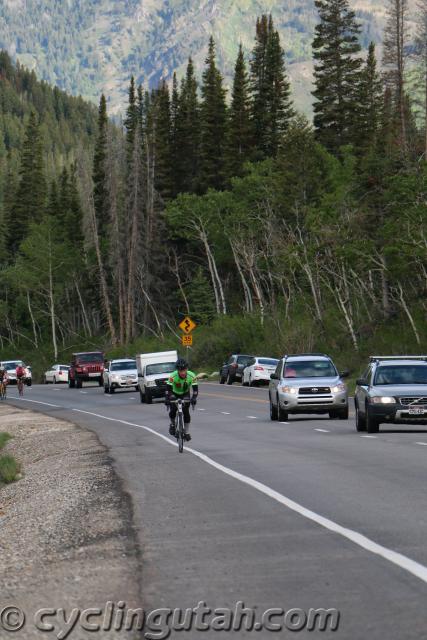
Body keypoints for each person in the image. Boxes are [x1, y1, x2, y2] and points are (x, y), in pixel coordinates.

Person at [165, 358, 198, 441]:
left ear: (187, 369)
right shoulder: (173, 376)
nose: (183, 372)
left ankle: (186, 432)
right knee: (172, 411)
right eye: (180, 370)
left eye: (184, 370)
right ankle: (172, 424)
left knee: (186, 412)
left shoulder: (192, 375)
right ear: (177, 370)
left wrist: (194, 398)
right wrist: (167, 398)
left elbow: (195, 390)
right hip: (174, 393)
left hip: (185, 393)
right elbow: (167, 389)